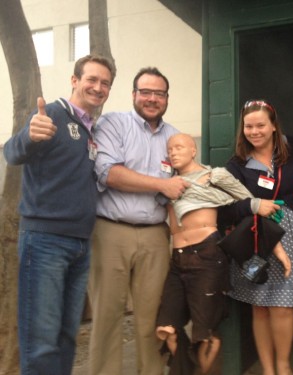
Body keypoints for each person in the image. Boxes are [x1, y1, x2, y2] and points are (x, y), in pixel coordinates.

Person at [3, 54, 115, 374]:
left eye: (105, 83)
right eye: (91, 79)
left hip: (80, 244)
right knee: (41, 340)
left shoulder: (90, 127)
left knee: (67, 336)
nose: (98, 87)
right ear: (74, 80)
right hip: (45, 242)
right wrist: (28, 135)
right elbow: (11, 152)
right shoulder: (50, 114)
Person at [155, 133, 291, 374]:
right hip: (177, 258)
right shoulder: (167, 184)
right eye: (169, 149)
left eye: (179, 147)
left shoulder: (214, 176)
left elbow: (252, 204)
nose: (173, 152)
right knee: (167, 328)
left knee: (205, 335)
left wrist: (277, 249)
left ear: (193, 150)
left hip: (207, 255)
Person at [89, 67, 190, 375]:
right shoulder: (113, 124)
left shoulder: (174, 137)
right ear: (134, 95)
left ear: (167, 99)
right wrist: (160, 185)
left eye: (158, 93)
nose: (151, 99)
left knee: (152, 319)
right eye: (145, 92)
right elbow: (109, 173)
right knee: (107, 318)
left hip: (155, 237)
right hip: (110, 232)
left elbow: (185, 183)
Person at [219, 99, 293, 375]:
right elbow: (225, 209)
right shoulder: (236, 165)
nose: (255, 131)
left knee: (283, 306)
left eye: (261, 125)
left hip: (292, 235)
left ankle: (283, 367)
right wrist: (253, 205)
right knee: (260, 306)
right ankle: (268, 369)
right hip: (257, 238)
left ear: (273, 126)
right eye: (249, 126)